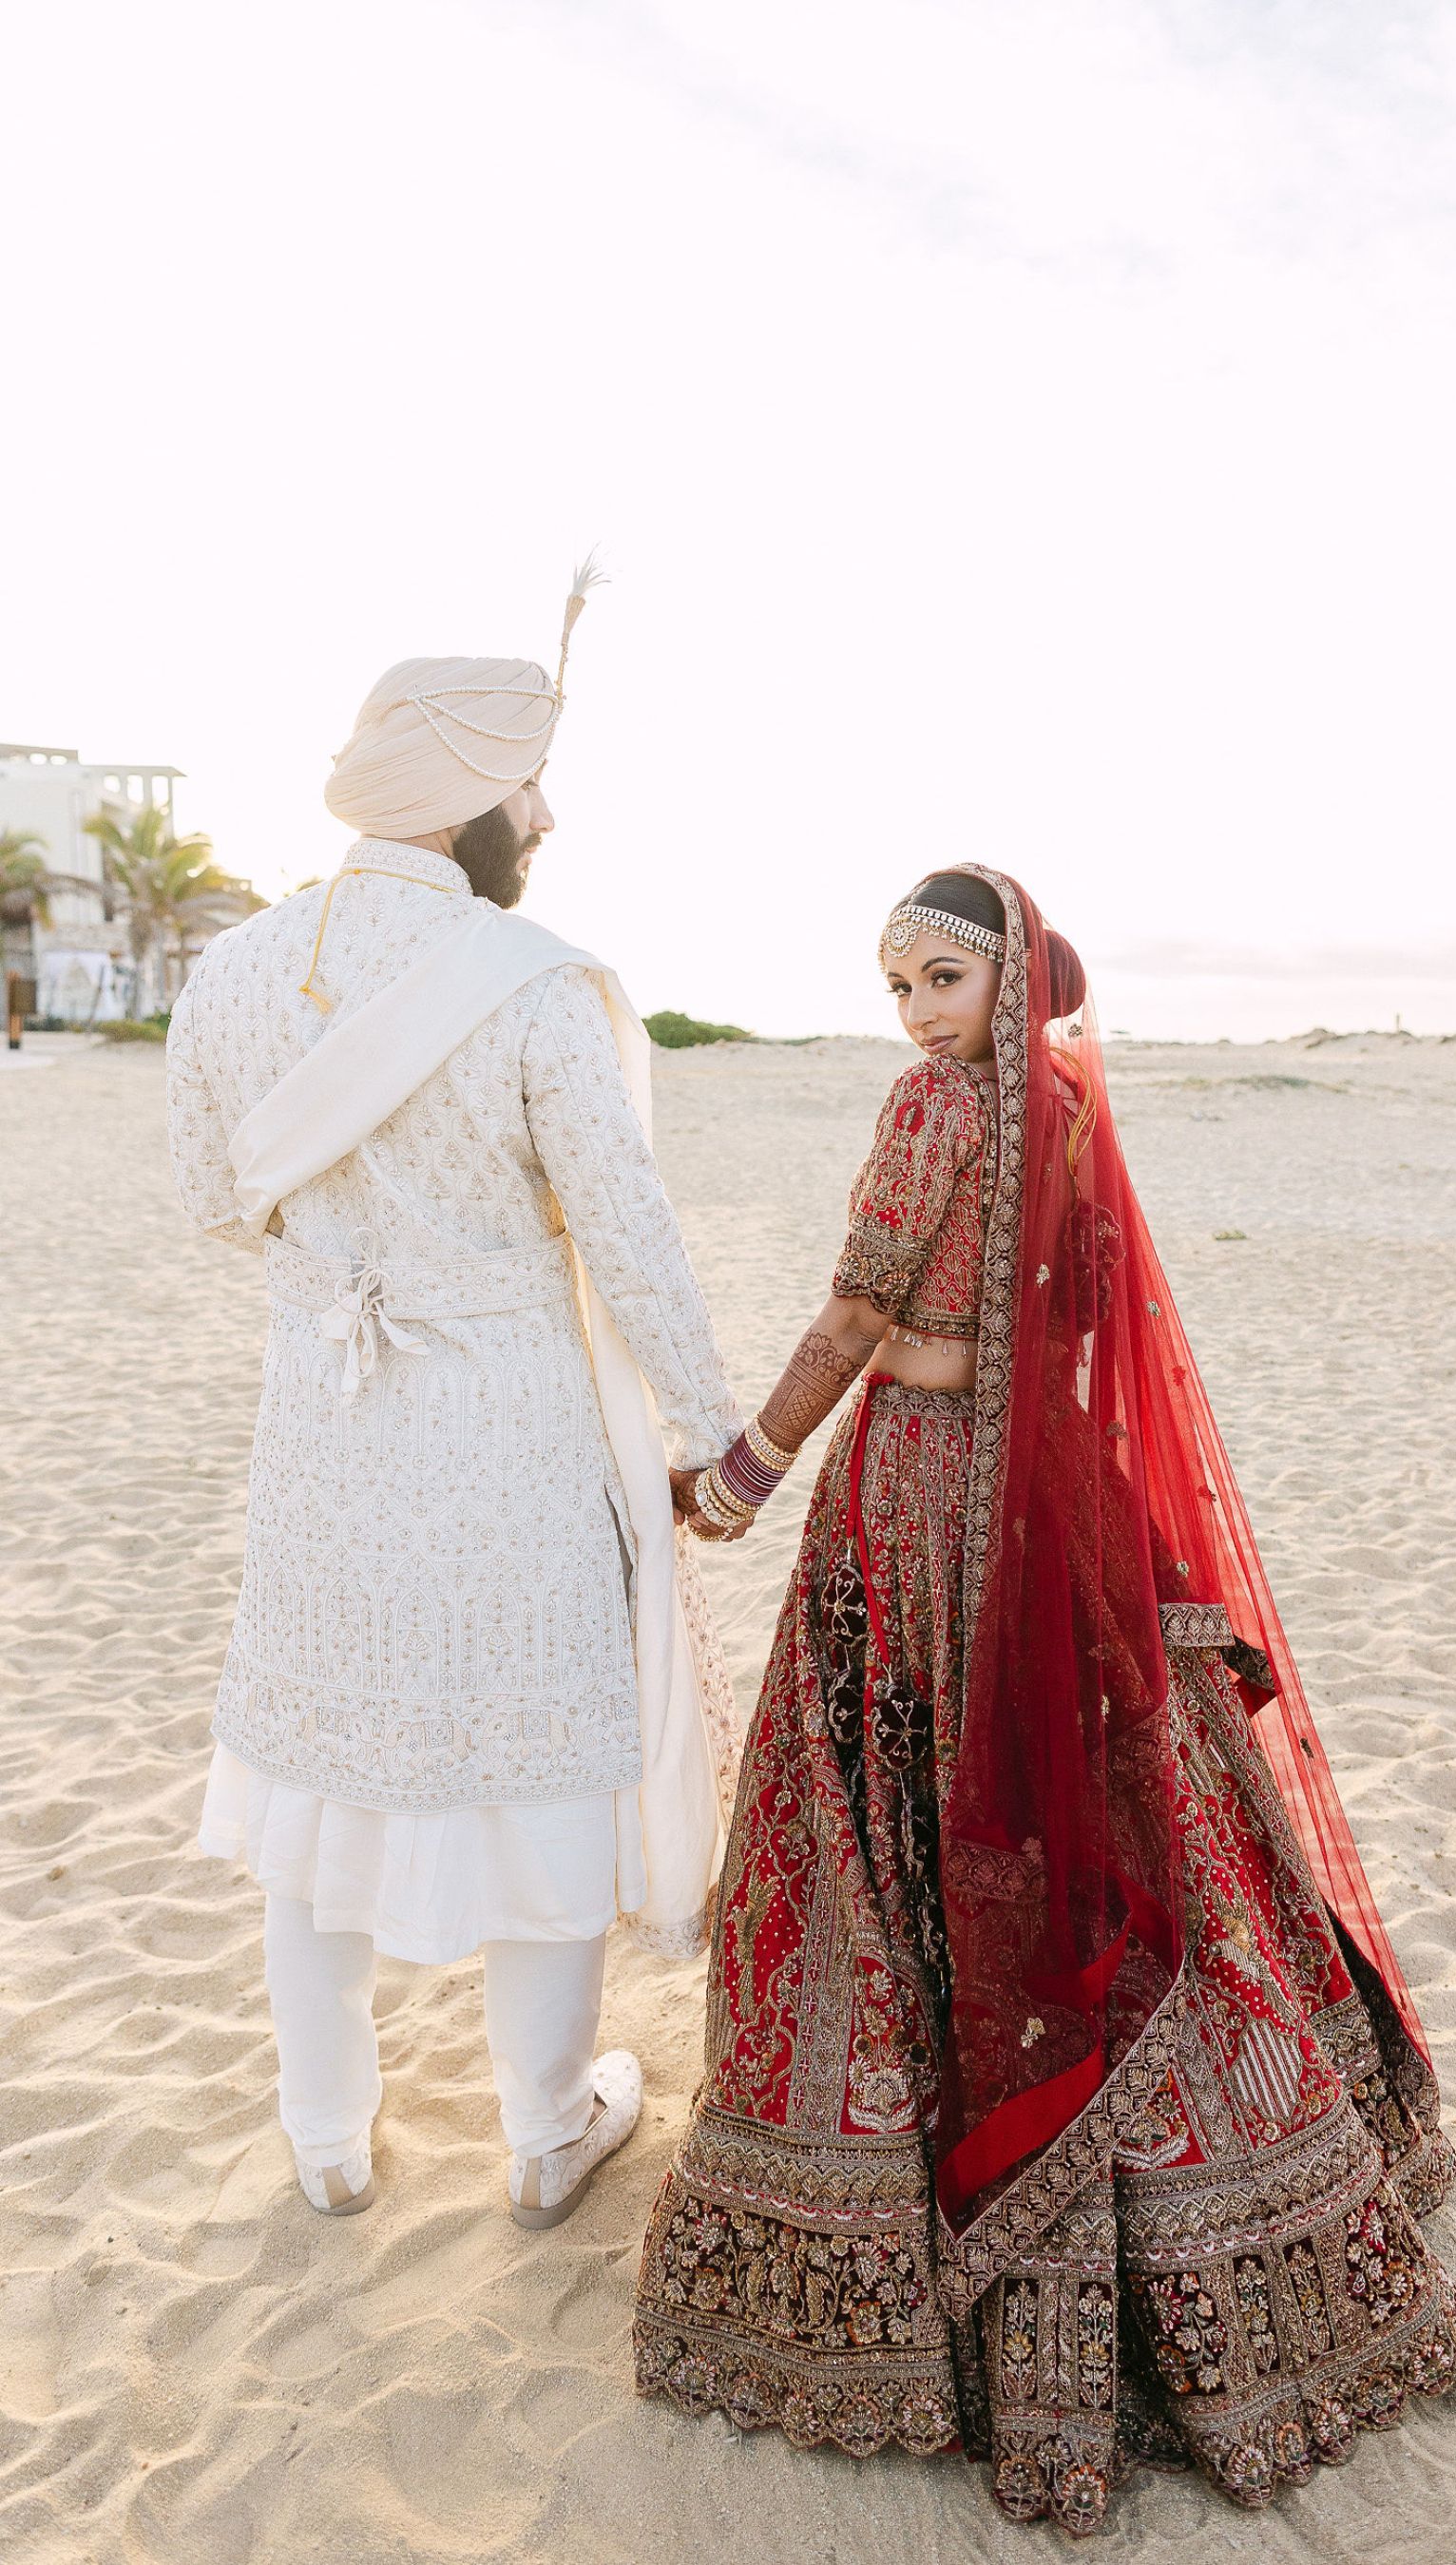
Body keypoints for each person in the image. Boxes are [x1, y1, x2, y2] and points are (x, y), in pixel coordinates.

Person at [635, 868, 1456, 2534]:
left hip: (931, 1486)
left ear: (1006, 976)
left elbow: (862, 1308)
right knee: (1097, 1796)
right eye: (898, 990)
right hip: (1045, 1483)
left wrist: (748, 1462)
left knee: (912, 1803)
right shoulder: (1075, 1103)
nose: (921, 1015)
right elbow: (1077, 1319)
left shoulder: (937, 1107)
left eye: (943, 976)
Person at [165, 594, 743, 2228]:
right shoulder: (534, 983)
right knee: (542, 1761)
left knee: (320, 1773)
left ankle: (329, 2140)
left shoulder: (230, 973)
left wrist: (349, 1262)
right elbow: (625, 1231)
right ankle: (548, 2131)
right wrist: (714, 1430)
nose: (548, 817)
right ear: (463, 793)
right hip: (507, 1432)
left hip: (326, 1431)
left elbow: (216, 1196)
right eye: (530, 783)